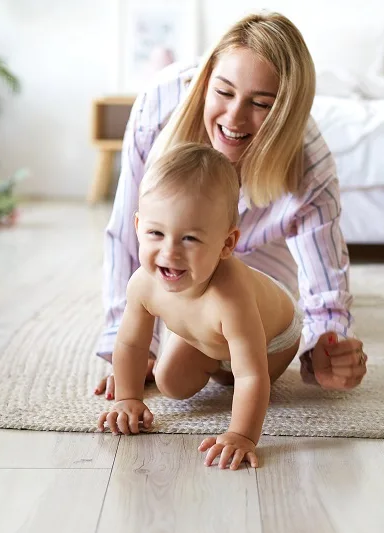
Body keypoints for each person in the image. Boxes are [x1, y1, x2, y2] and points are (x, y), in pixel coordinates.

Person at [94, 11, 367, 405]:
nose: (234, 117)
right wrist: (133, 352)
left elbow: (324, 283)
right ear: (205, 82)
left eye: (260, 103)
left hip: (262, 259)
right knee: (172, 370)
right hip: (180, 245)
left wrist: (328, 345)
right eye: (223, 92)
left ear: (286, 113)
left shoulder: (308, 161)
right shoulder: (159, 104)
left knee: (236, 333)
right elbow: (127, 232)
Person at [97, 143, 307, 469]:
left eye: (190, 239)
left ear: (227, 244)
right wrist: (127, 398)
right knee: (170, 383)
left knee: (240, 379)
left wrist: (242, 435)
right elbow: (130, 343)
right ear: (138, 227)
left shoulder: (230, 298)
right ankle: (213, 359)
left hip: (272, 340)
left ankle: (222, 366)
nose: (170, 252)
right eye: (156, 233)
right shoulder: (142, 284)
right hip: (205, 333)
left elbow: (252, 374)